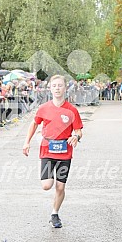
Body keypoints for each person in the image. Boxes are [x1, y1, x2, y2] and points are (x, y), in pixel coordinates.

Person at [23, 75, 83, 228]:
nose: (57, 88)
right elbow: (34, 124)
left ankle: (55, 214)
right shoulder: (44, 108)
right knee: (46, 185)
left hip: (65, 153)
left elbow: (78, 130)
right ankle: (53, 205)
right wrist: (27, 142)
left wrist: (75, 136)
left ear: (64, 88)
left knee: (60, 186)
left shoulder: (72, 110)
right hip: (47, 151)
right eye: (54, 85)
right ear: (50, 88)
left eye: (60, 85)